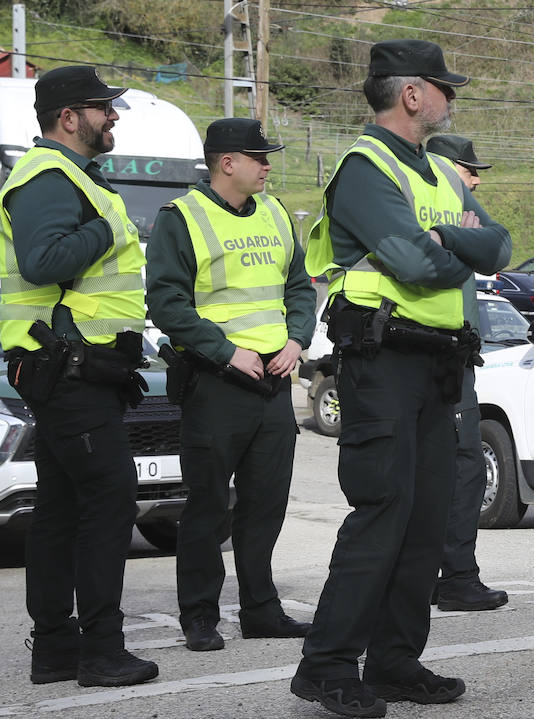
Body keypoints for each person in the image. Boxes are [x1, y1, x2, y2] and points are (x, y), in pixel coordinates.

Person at [292, 40, 511, 719]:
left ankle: (393, 659)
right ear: (412, 94)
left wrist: (448, 246)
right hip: (383, 358)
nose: (453, 98)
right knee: (383, 509)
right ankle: (327, 665)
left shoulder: (440, 174)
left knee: (425, 518)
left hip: (437, 363)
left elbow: (499, 245)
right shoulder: (365, 167)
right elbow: (415, 265)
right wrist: (452, 247)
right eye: (445, 87)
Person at [0, 66, 158, 687]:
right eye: (102, 108)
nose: (113, 116)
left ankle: (57, 649)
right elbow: (42, 263)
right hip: (68, 369)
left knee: (63, 509)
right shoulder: (46, 177)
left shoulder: (75, 178)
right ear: (69, 117)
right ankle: (100, 648)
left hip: (78, 369)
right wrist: (109, 226)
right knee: (109, 500)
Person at [145, 118, 316, 651]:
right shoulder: (183, 218)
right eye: (258, 156)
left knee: (266, 503)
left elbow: (298, 286)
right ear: (227, 163)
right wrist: (224, 351)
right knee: (208, 506)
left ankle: (261, 609)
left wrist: (297, 338)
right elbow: (166, 303)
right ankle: (199, 615)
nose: (267, 166)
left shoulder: (276, 211)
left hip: (274, 381)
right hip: (216, 383)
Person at [424, 134, 507, 613]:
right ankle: (453, 576)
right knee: (459, 468)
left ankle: (450, 575)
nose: (475, 179)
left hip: (453, 355)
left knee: (460, 468)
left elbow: (496, 246)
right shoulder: (434, 205)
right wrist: (462, 236)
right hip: (435, 354)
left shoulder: (447, 206)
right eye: (469, 169)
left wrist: (464, 237)